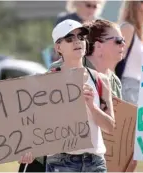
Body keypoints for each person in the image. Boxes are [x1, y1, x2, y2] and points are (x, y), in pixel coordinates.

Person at [19, 19, 115, 172]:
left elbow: (110, 127)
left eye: (81, 37)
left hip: (95, 162)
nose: (77, 41)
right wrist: (27, 148)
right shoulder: (46, 82)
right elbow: (35, 123)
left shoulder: (100, 80)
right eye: (69, 39)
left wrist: (92, 107)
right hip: (61, 162)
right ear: (58, 47)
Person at [117, 0, 143, 104]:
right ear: (140, 4)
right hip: (126, 92)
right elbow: (113, 62)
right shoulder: (127, 28)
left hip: (138, 93)